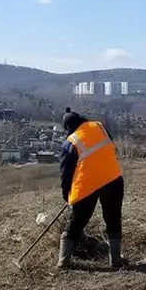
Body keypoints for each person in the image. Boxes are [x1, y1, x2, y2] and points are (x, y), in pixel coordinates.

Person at [57, 107, 126, 269]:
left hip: (86, 185)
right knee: (113, 219)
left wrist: (67, 195)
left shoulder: (71, 142)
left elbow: (65, 173)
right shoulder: (100, 127)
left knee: (77, 221)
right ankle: (115, 261)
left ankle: (63, 261)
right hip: (113, 179)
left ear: (68, 128)